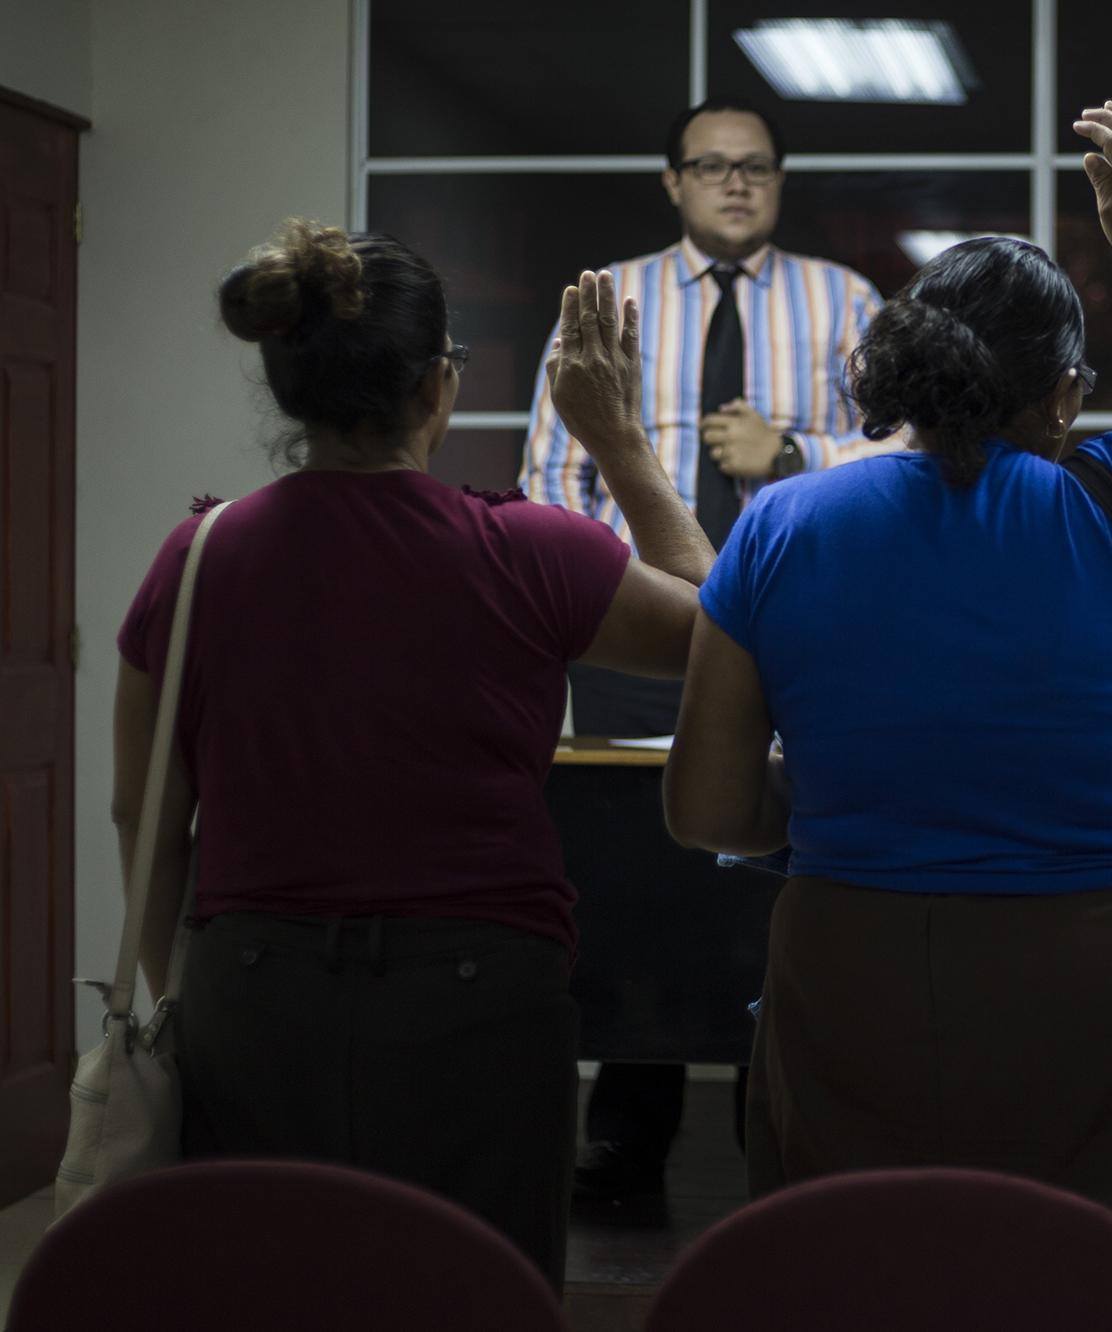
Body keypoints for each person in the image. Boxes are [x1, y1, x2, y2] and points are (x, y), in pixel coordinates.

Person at [660, 100, 1112, 1267]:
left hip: (852, 965)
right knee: (1088, 1280)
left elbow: (704, 812)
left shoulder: (781, 521)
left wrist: (856, 792)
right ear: (1061, 394)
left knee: (853, 1280)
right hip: (1096, 975)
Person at [112, 220, 709, 1287]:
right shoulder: (527, 549)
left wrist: (182, 1006)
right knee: (472, 1294)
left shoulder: (195, 558)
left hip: (255, 987)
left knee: (271, 1296)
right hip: (478, 997)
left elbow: (141, 815)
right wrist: (616, 440)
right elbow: (727, 630)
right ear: (439, 386)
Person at [518, 97, 891, 1202]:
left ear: (779, 181)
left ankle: (768, 1121)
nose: (735, 183)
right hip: (638, 633)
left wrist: (792, 449)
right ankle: (627, 1133)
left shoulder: (846, 300)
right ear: (672, 182)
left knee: (776, 865)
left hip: (802, 627)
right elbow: (552, 479)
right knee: (639, 868)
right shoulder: (610, 296)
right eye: (711, 166)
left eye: (756, 168)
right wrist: (619, 595)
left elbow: (896, 457)